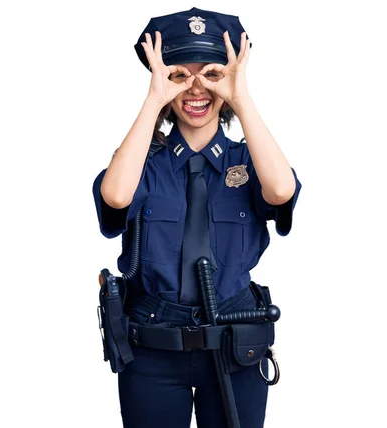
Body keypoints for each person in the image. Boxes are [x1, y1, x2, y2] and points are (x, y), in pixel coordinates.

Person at [92, 7, 302, 428]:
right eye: (178, 75)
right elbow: (115, 196)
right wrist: (154, 100)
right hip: (153, 348)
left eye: (211, 73)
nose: (196, 88)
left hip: (233, 343)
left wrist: (241, 98)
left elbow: (281, 190)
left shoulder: (248, 160)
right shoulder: (142, 162)